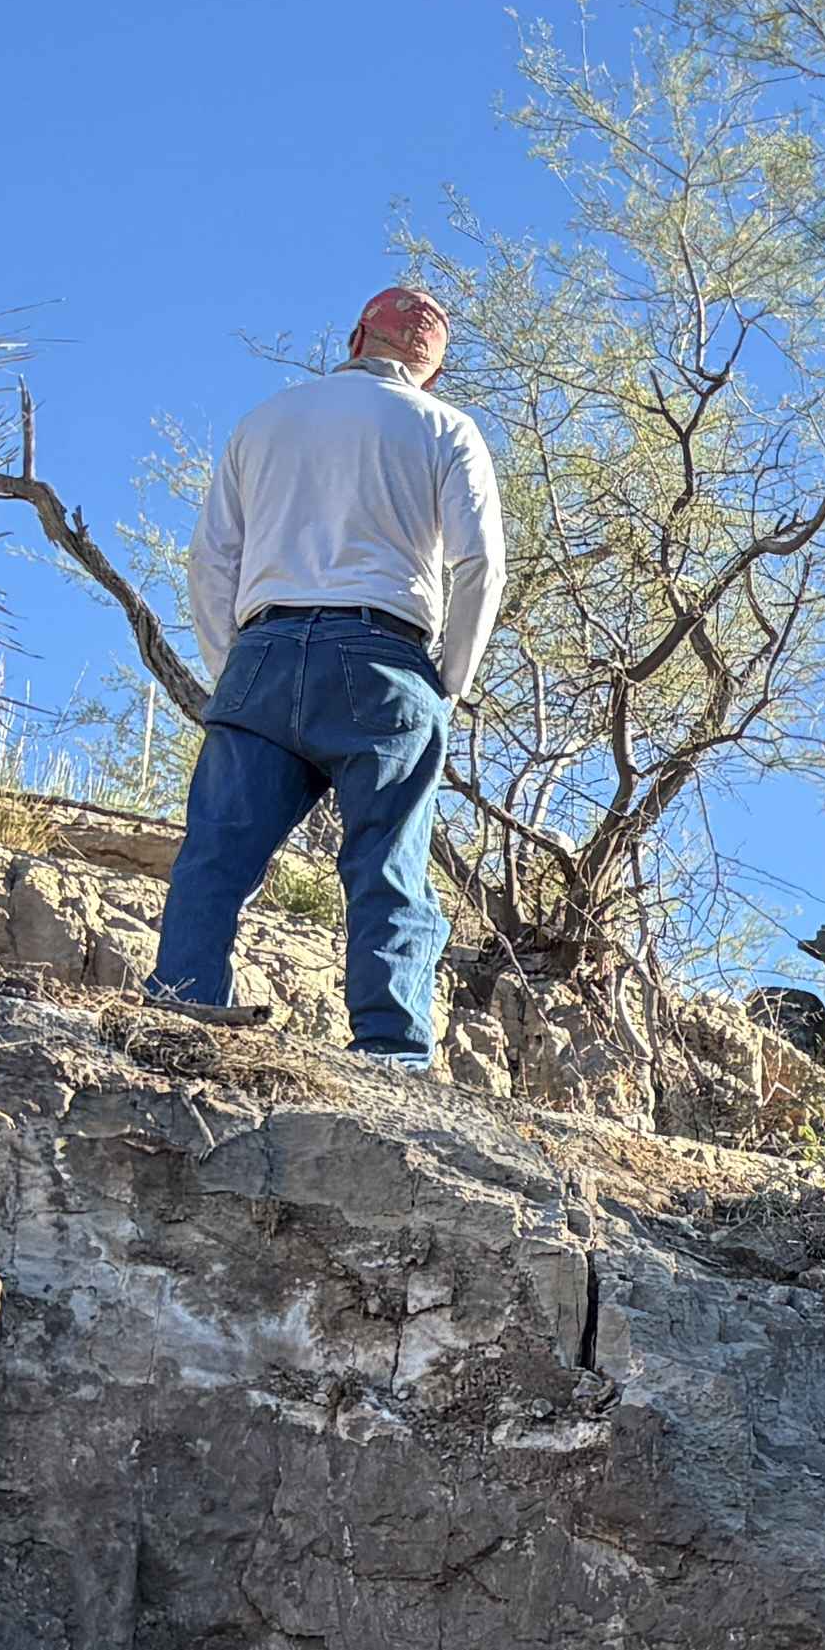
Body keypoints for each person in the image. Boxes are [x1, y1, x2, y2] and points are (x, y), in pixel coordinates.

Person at [151, 283, 504, 1068]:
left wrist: (231, 669)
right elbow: (480, 562)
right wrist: (451, 678)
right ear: (431, 373)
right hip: (383, 658)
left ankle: (179, 1013)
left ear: (354, 340)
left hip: (262, 652)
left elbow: (210, 560)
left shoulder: (267, 421)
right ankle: (390, 1053)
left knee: (217, 855)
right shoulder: (445, 427)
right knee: (388, 859)